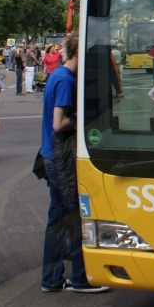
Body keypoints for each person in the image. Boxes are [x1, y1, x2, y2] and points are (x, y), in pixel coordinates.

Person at [40, 32, 111, 293]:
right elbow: (59, 123)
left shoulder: (58, 75)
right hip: (61, 158)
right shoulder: (66, 80)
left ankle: (52, 278)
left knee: (59, 216)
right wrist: (85, 120)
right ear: (79, 53)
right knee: (72, 215)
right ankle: (80, 278)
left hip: (52, 155)